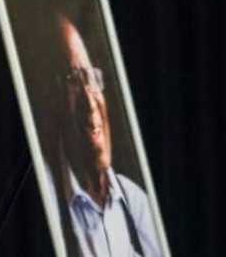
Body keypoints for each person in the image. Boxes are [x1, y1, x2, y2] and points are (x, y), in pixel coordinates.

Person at [47, 16, 163, 257]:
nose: (90, 102)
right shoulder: (49, 200)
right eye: (73, 81)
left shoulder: (134, 201)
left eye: (92, 78)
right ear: (53, 100)